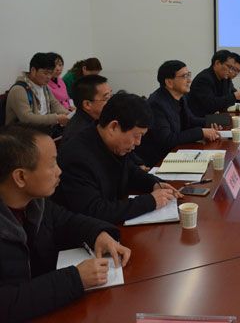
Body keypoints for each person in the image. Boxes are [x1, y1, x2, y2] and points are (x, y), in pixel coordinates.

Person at [0, 124, 131, 322]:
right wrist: (75, 279)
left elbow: (65, 220)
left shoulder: (35, 201)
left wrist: (98, 234)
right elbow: (7, 303)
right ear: (20, 177)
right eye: (52, 164)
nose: (59, 171)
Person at [54, 93, 182, 224]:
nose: (138, 142)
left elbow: (130, 170)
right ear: (113, 127)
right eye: (136, 135)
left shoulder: (112, 143)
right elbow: (94, 210)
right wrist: (150, 201)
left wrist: (153, 183)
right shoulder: (77, 157)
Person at [136, 60, 221, 167]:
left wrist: (215, 121)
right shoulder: (156, 104)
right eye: (184, 76)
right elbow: (166, 140)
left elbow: (190, 120)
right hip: (159, 161)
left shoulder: (180, 97)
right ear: (169, 82)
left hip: (176, 153)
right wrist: (201, 132)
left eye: (189, 75)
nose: (189, 80)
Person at [5, 53, 70, 131]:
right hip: (21, 133)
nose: (49, 77)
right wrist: (56, 118)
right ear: (33, 70)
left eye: (50, 73)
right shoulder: (19, 89)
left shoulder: (44, 87)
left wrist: (68, 114)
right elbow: (27, 118)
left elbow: (55, 104)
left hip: (43, 129)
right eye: (45, 73)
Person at [187, 50, 240, 117]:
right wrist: (235, 96)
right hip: (202, 118)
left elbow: (229, 95)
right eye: (229, 67)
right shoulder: (204, 79)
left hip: (216, 115)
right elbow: (211, 104)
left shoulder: (225, 78)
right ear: (217, 63)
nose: (230, 71)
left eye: (232, 68)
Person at [62, 75, 112, 144]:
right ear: (87, 104)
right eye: (106, 98)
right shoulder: (80, 135)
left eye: (111, 96)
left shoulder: (97, 119)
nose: (111, 102)